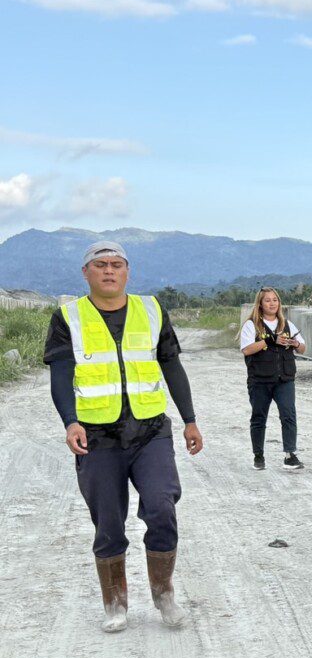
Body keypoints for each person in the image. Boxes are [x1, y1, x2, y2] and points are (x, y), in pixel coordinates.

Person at [43, 240, 203, 633]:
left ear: (127, 271)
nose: (109, 271)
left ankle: (164, 595)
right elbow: (60, 376)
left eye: (117, 264)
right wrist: (70, 421)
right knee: (109, 523)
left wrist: (190, 419)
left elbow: (171, 365)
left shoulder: (151, 310)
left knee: (162, 506)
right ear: (86, 273)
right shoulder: (69, 317)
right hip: (97, 438)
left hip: (150, 431)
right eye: (100, 265)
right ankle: (115, 603)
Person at [239, 287, 306, 470]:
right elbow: (246, 349)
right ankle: (258, 456)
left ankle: (290, 455)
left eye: (275, 300)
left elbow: (303, 348)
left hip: (284, 379)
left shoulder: (287, 324)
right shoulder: (251, 325)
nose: (272, 303)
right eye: (267, 300)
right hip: (259, 380)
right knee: (259, 417)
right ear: (260, 304)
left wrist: (295, 343)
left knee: (288, 415)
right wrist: (269, 341)